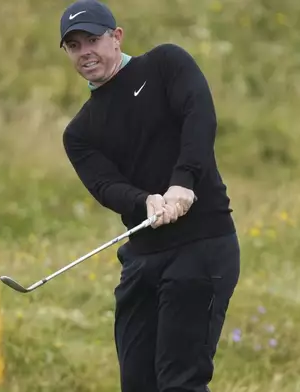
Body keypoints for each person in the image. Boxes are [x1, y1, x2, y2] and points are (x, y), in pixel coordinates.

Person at [58, 0, 241, 391]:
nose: (85, 52)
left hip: (202, 244)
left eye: (93, 39)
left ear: (117, 36)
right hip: (142, 259)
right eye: (74, 45)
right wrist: (145, 202)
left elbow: (199, 116)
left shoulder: (165, 64)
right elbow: (105, 185)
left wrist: (183, 181)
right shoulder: (80, 132)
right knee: (137, 383)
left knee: (180, 382)